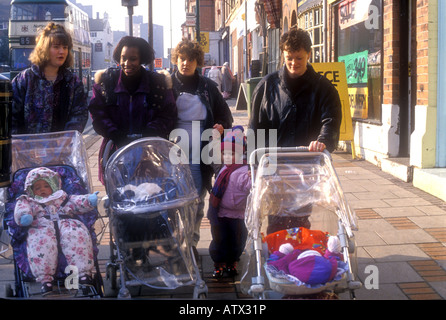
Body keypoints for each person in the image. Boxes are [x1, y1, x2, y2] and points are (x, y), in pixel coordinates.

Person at [170, 39, 233, 252]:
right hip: (173, 150)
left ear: (197, 62)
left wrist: (221, 126)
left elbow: (226, 116)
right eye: (181, 59)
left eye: (190, 59)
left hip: (201, 150)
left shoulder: (208, 87)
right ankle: (176, 244)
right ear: (176, 60)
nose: (185, 63)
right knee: (174, 200)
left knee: (196, 200)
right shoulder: (167, 86)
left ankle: (191, 244)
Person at [88, 36, 177, 184]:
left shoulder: (157, 84)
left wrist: (150, 132)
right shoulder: (106, 82)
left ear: (141, 59)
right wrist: (115, 134)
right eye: (123, 58)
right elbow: (97, 113)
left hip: (151, 155)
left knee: (151, 197)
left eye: (133, 59)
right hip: (115, 152)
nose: (127, 63)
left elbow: (169, 114)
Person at [249, 27, 342, 153]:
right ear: (283, 55)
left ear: (308, 54)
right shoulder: (266, 87)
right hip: (274, 164)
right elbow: (256, 127)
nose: (294, 63)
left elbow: (331, 122)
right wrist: (253, 165)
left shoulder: (325, 89)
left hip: (310, 162)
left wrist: (322, 142)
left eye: (299, 58)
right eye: (289, 58)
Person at [13, 167, 99, 294]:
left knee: (77, 236)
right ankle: (45, 279)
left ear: (53, 186)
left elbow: (76, 202)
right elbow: (20, 209)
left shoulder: (63, 198)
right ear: (31, 190)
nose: (42, 189)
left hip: (67, 223)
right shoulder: (29, 201)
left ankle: (83, 274)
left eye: (46, 186)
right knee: (40, 243)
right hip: (42, 227)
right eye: (37, 187)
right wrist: (25, 216)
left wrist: (88, 200)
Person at [11, 22, 88, 134]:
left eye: (65, 47)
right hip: (30, 149)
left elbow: (79, 114)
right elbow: (12, 117)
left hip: (63, 149)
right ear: (44, 49)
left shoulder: (73, 82)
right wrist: (21, 143)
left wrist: (65, 140)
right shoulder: (24, 79)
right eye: (56, 47)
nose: (62, 51)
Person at [207, 127, 251, 278]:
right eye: (224, 153)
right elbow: (212, 154)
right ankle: (219, 264)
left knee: (237, 241)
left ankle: (232, 263)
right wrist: (215, 137)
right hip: (219, 214)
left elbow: (253, 187)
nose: (226, 156)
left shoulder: (245, 172)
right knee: (219, 240)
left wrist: (256, 175)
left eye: (231, 154)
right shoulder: (222, 168)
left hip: (238, 216)